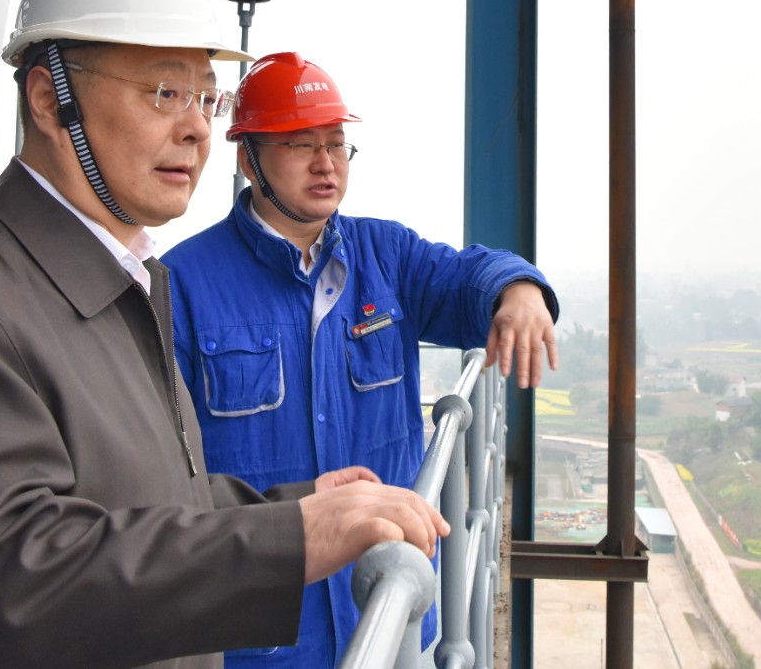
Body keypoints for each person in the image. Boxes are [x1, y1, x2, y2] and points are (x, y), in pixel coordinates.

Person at [0, 0, 447, 669]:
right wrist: (291, 540)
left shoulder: (121, 279)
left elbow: (140, 499)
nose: (196, 127)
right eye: (164, 93)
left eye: (205, 97)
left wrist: (292, 506)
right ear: (49, 100)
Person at [163, 51, 560, 668]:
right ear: (248, 160)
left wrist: (521, 289)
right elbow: (166, 477)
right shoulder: (181, 285)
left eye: (337, 144)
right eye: (301, 144)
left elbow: (468, 277)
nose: (326, 163)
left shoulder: (388, 256)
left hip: (391, 605)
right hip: (263, 634)